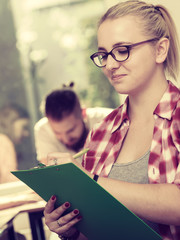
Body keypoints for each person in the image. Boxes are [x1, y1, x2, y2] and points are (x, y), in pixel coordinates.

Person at [43, 1, 180, 240]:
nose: (110, 64)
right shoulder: (102, 131)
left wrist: (90, 182)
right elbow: (95, 224)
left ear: (160, 50)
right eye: (104, 54)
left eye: (122, 50)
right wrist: (70, 228)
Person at [34, 85, 113, 164]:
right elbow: (49, 171)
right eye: (57, 133)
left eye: (71, 130)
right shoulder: (43, 130)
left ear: (83, 114)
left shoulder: (110, 120)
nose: (66, 139)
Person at [0, 103, 30, 183]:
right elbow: (8, 178)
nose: (27, 133)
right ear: (10, 123)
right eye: (24, 127)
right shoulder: (4, 141)